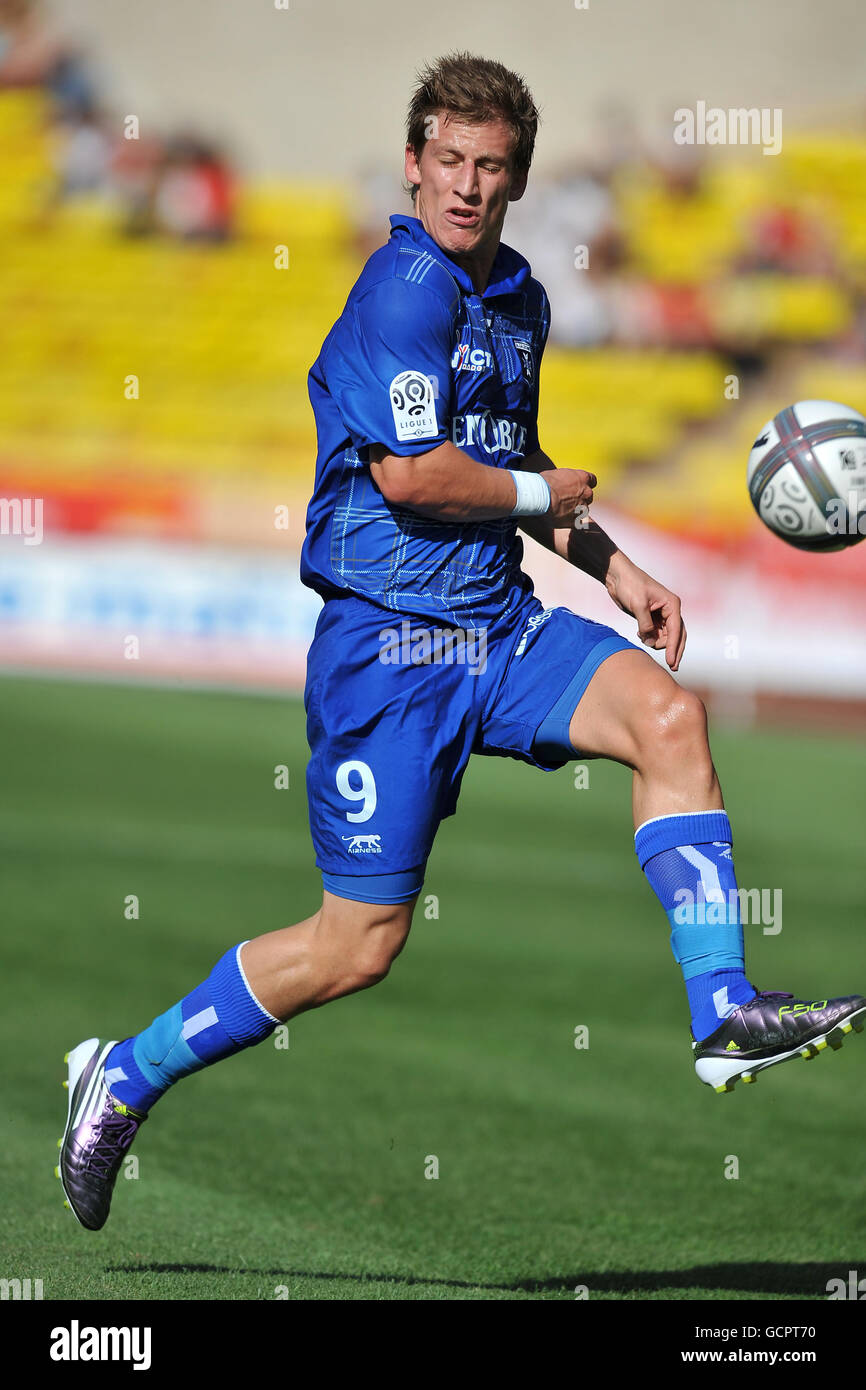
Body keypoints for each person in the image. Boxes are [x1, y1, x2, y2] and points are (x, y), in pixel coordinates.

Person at [58, 51, 864, 1232]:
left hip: (498, 626)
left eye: (491, 167)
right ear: (412, 162)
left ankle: (722, 1008)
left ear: (518, 178)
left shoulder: (519, 299)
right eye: (447, 161)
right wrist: (543, 505)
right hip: (387, 653)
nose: (466, 187)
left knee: (669, 718)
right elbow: (416, 474)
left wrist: (619, 565)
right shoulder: (401, 292)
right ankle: (122, 1072)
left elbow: (517, 467)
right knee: (356, 944)